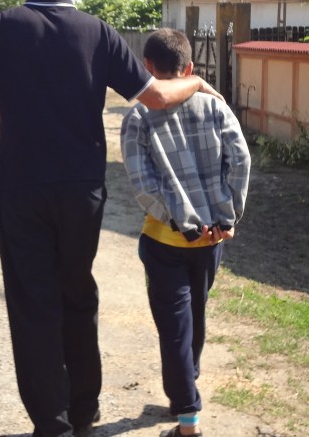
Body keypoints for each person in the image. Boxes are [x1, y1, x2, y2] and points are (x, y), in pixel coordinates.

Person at [0, 0, 222, 437]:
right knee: (78, 291)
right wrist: (196, 85)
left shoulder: (2, 27)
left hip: (21, 187)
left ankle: (52, 422)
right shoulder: (98, 32)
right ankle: (85, 408)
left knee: (32, 303)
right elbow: (156, 97)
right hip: (82, 189)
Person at [120, 29, 251, 437]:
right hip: (211, 240)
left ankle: (188, 415)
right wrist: (227, 216)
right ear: (190, 68)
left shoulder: (138, 116)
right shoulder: (216, 108)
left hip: (165, 241)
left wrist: (178, 220)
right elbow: (241, 160)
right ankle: (185, 390)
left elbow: (143, 185)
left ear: (147, 67)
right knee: (195, 316)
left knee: (174, 324)